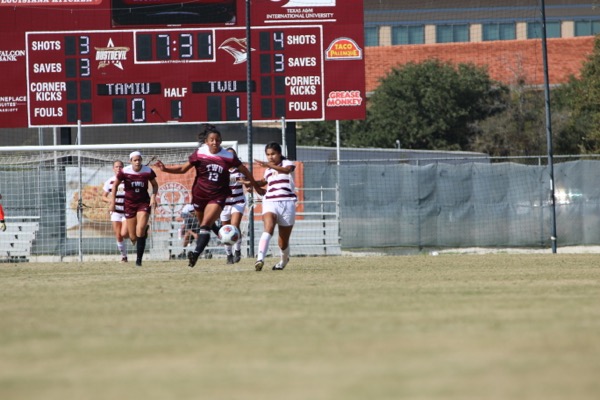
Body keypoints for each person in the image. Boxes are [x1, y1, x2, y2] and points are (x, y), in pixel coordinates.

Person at [155, 124, 261, 268]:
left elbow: (246, 171)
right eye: (211, 140)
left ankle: (196, 255)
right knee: (205, 225)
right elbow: (182, 169)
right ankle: (220, 234)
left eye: (217, 140)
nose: (214, 142)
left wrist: (256, 186)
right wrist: (165, 168)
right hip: (199, 195)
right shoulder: (200, 153)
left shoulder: (228, 156)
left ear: (221, 141)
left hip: (218, 196)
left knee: (205, 225)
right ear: (206, 141)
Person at [253, 142, 297, 271]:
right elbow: (263, 182)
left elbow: (287, 170)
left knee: (283, 242)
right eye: (268, 155)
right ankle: (259, 259)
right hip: (270, 201)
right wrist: (249, 182)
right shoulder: (268, 170)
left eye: (273, 154)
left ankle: (283, 260)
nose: (270, 157)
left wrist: (268, 164)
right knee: (268, 228)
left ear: (279, 153)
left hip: (287, 202)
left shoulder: (287, 163)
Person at [110, 151, 158, 267]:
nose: (137, 162)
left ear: (141, 160)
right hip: (129, 204)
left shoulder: (148, 171)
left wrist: (153, 197)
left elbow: (155, 185)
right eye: (135, 160)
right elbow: (115, 185)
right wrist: (113, 202)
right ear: (130, 161)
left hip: (143, 203)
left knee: (140, 229)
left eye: (139, 160)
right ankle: (142, 233)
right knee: (132, 237)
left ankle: (138, 261)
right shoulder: (124, 171)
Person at [220, 147, 250, 264]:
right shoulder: (221, 170)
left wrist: (248, 185)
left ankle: (237, 250)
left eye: (233, 156)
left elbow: (247, 184)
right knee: (225, 230)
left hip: (238, 201)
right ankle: (229, 255)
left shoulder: (240, 169)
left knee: (234, 226)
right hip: (224, 204)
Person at [102, 160, 129, 262]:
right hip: (116, 212)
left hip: (127, 210)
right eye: (116, 167)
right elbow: (103, 197)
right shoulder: (110, 181)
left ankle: (135, 231)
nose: (118, 168)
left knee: (124, 233)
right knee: (118, 235)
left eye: (120, 166)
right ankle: (124, 256)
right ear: (113, 169)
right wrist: (111, 201)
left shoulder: (128, 180)